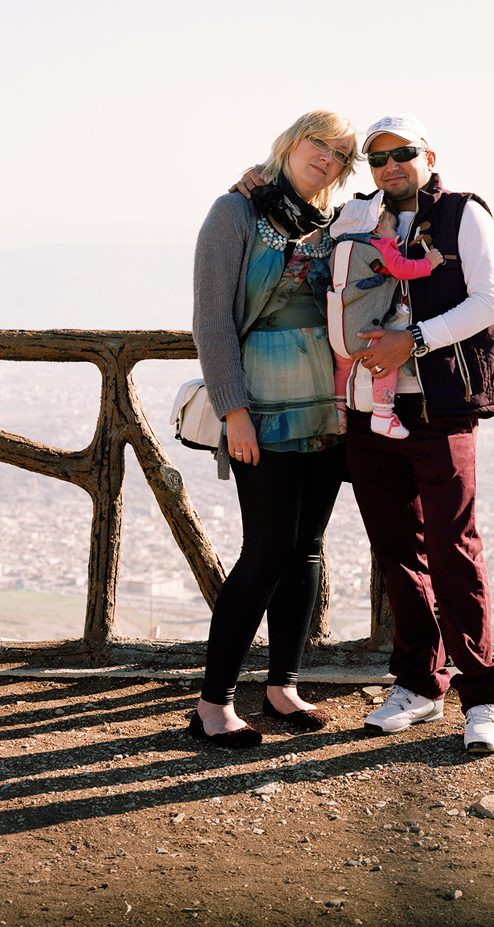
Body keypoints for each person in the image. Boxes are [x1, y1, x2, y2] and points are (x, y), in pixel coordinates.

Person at [234, 111, 494, 755]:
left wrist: (410, 340)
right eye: (377, 158)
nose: (389, 166)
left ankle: (483, 696)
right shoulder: (355, 219)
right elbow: (300, 244)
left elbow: (489, 301)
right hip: (366, 411)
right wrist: (252, 189)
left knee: (451, 549)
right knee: (396, 552)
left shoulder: (466, 213)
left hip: (440, 405)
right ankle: (419, 684)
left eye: (401, 154)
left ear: (429, 155)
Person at [189, 111, 358, 747]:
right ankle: (214, 702)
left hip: (327, 403)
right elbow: (210, 318)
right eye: (321, 143)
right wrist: (233, 410)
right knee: (266, 549)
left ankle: (283, 685)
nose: (329, 158)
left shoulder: (336, 223)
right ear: (291, 142)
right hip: (260, 403)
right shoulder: (233, 214)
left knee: (308, 547)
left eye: (343, 154)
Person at [328, 193, 444, 440]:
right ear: (377, 226)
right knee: (386, 363)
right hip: (363, 331)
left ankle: (338, 412)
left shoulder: (340, 248)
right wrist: (429, 262)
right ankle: (383, 415)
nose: (397, 235)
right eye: (393, 227)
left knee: (342, 368)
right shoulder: (378, 245)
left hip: (338, 331)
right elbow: (401, 268)